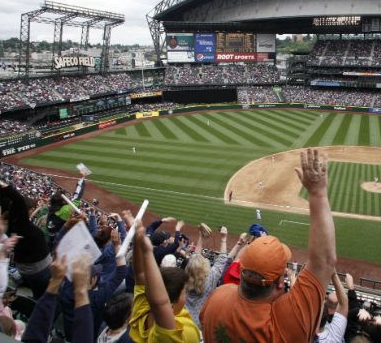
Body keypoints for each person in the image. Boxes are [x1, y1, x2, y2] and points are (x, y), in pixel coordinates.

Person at [200, 147, 336, 343]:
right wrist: (318, 193)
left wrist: (317, 194)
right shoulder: (289, 324)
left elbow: (324, 263)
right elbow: (324, 263)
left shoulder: (217, 298)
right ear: (280, 283)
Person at [127, 217, 200, 343]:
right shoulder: (169, 334)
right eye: (184, 293)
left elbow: (140, 272)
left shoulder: (143, 309)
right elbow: (160, 304)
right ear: (169, 306)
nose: (186, 296)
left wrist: (138, 238)